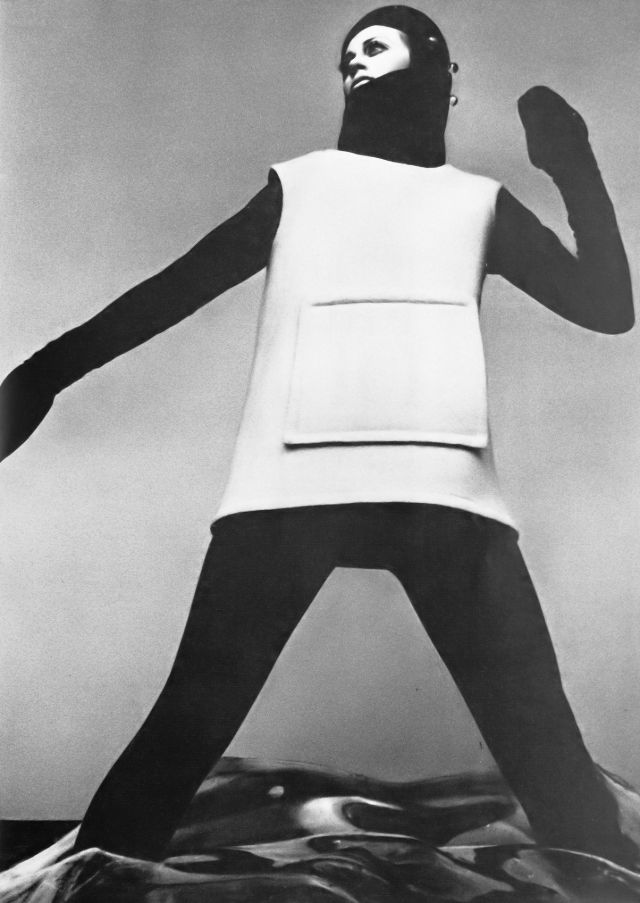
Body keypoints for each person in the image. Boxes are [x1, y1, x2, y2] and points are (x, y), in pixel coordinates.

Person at [1, 4, 636, 866]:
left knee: (549, 757)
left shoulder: (475, 203)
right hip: (289, 485)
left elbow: (607, 307)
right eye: (347, 55)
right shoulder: (299, 187)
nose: (355, 63)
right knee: (181, 733)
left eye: (377, 45)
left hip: (442, 488)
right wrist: (43, 375)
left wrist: (572, 164)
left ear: (438, 67)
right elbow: (171, 292)